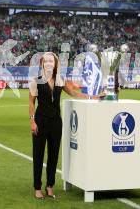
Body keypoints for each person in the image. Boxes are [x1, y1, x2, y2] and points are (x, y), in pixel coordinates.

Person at [29, 52, 103, 199]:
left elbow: (74, 93)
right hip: (40, 121)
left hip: (56, 122)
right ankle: (37, 188)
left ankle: (50, 186)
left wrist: (93, 97)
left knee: (54, 155)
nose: (49, 63)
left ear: (56, 64)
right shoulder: (35, 81)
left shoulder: (60, 81)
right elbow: (31, 102)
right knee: (38, 155)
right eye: (47, 61)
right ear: (42, 63)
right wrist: (32, 121)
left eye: (52, 61)